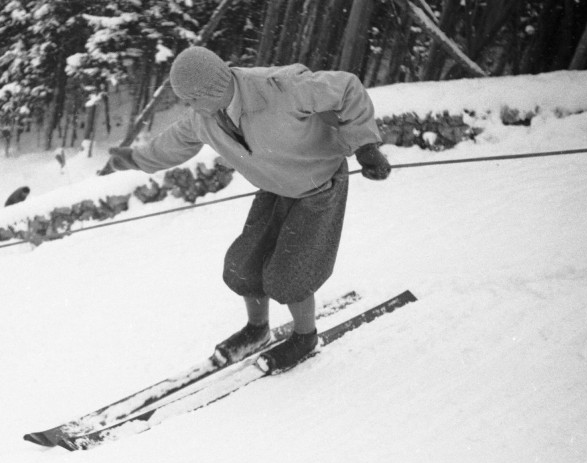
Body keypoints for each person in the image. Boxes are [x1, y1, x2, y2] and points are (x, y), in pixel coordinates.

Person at [107, 46, 391, 372]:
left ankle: (305, 337)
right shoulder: (205, 116)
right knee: (242, 266)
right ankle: (257, 330)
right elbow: (174, 141)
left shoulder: (279, 87)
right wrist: (135, 158)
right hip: (275, 189)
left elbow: (347, 89)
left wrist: (366, 146)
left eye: (192, 99)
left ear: (210, 90)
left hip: (319, 188)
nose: (190, 107)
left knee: (288, 277)